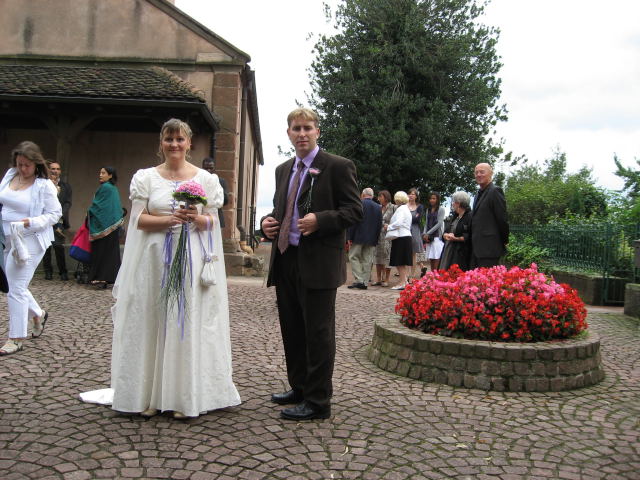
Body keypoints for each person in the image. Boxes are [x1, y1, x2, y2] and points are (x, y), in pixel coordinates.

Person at [110, 118, 240, 419]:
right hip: (153, 261)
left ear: (189, 143)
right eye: (169, 139)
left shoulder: (206, 180)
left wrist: (197, 218)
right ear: (161, 143)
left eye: (180, 139)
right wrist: (168, 220)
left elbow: (213, 222)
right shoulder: (146, 177)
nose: (174, 144)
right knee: (152, 320)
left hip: (191, 260)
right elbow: (138, 220)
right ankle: (148, 395)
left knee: (185, 321)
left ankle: (183, 397)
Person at [261, 107, 362, 421]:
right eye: (296, 128)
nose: (302, 134)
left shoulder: (338, 166)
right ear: (289, 133)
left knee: (318, 333)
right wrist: (266, 224)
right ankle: (300, 386)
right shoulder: (283, 169)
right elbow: (280, 210)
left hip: (318, 263)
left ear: (317, 131)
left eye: (307, 128)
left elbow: (354, 211)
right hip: (286, 259)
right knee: (292, 329)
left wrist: (321, 219)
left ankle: (318, 402)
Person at [0, 141, 61, 355]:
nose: (22, 169)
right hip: (6, 237)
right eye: (19, 164)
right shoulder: (10, 175)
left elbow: (55, 214)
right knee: (12, 283)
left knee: (15, 287)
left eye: (27, 165)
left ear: (36, 164)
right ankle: (38, 314)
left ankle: (16, 338)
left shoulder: (44, 185)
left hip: (30, 239)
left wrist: (30, 222)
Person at [87, 166, 123, 288]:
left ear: (110, 175)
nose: (100, 175)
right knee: (110, 253)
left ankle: (100, 278)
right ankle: (108, 277)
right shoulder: (113, 188)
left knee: (101, 252)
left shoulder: (106, 187)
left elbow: (98, 206)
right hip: (112, 226)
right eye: (100, 172)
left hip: (103, 226)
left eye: (103, 173)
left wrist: (89, 211)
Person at [470, 163, 509, 268]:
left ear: (491, 173)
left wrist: (504, 240)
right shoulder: (477, 194)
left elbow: (502, 219)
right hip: (477, 249)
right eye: (476, 172)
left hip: (490, 249)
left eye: (482, 172)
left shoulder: (495, 191)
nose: (478, 175)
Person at [347, 188, 382, 290]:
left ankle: (359, 280)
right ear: (372, 195)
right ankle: (365, 282)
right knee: (367, 259)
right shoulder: (378, 207)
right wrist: (376, 238)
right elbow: (379, 224)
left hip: (358, 236)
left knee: (353, 257)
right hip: (371, 237)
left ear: (363, 194)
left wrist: (350, 236)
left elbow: (353, 221)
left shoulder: (359, 204)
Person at [43, 160, 72, 281]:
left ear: (60, 171)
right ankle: (48, 271)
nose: (55, 171)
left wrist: (59, 214)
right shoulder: (44, 184)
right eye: (53, 168)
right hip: (45, 219)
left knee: (58, 246)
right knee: (46, 247)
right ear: (49, 170)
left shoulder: (66, 186)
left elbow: (68, 203)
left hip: (59, 220)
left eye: (57, 169)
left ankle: (63, 272)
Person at [440, 191, 473, 271]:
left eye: (453, 202)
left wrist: (455, 238)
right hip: (448, 250)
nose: (452, 204)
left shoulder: (470, 217)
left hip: (460, 253)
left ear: (458, 203)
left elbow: (469, 236)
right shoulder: (455, 216)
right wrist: (445, 235)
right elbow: (446, 231)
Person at [386, 191, 412, 291]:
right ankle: (404, 281)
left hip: (401, 237)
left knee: (400, 262)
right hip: (405, 236)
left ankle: (402, 283)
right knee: (402, 262)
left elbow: (399, 222)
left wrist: (389, 227)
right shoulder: (406, 209)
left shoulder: (401, 209)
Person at [372, 190, 396, 287]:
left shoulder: (393, 207)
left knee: (387, 257)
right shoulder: (378, 207)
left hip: (388, 235)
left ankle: (386, 279)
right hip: (378, 235)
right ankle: (378, 279)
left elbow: (397, 220)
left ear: (386, 197)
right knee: (377, 257)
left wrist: (389, 225)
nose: (378, 199)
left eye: (380, 197)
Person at [202, 157, 229, 228]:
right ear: (202, 168)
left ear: (214, 168)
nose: (208, 170)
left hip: (217, 216)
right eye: (206, 168)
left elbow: (226, 200)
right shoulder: (199, 180)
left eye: (211, 168)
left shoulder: (221, 181)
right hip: (202, 217)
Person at [422, 192, 446, 273]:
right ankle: (432, 275)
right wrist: (424, 233)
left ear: (437, 200)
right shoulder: (428, 210)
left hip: (437, 237)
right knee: (431, 258)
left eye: (434, 198)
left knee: (436, 258)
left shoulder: (441, 209)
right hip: (429, 237)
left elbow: (439, 223)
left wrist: (428, 233)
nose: (431, 200)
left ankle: (436, 276)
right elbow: (426, 223)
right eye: (430, 198)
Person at [407, 187, 424, 277]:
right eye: (409, 193)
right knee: (406, 253)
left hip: (415, 231)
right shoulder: (404, 206)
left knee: (413, 253)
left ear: (416, 196)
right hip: (405, 230)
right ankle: (406, 274)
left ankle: (411, 275)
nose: (411, 195)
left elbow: (417, 219)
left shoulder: (419, 207)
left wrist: (407, 219)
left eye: (413, 194)